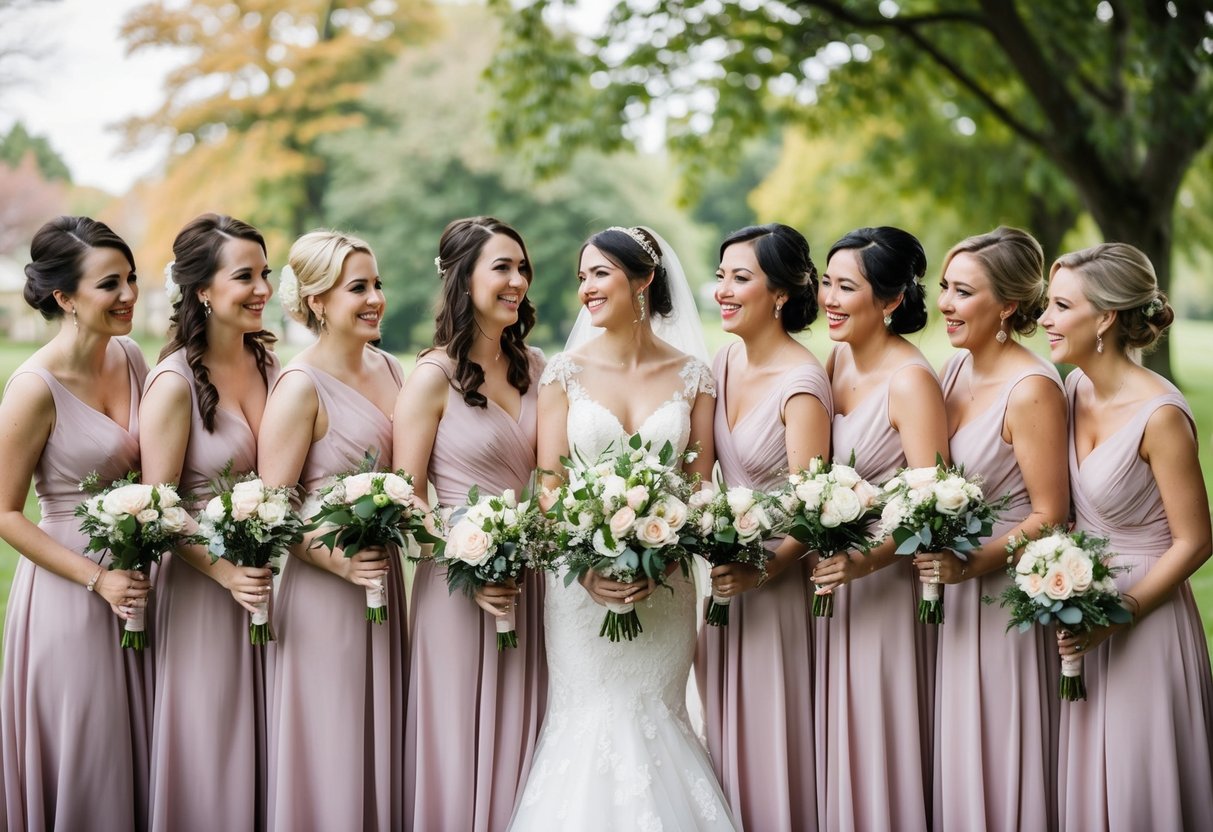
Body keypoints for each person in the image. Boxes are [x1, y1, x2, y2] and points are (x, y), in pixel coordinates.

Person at [509, 225, 735, 830]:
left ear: (643, 280)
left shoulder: (694, 376)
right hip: (580, 592)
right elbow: (550, 487)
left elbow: (699, 481)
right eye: (582, 276)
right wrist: (585, 568)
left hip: (665, 585)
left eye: (599, 273)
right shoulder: (563, 375)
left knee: (656, 716)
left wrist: (666, 543)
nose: (585, 288)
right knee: (590, 720)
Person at [1042, 243, 1213, 830]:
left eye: (1060, 306)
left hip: (1146, 612)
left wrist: (1122, 611)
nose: (1044, 319)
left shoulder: (1160, 413)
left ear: (1105, 318)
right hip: (1077, 602)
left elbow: (1196, 540)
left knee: (1143, 781)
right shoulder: (1071, 392)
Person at [0, 217, 151, 830]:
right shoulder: (34, 388)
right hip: (70, 590)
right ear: (64, 298)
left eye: (132, 279)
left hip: (143, 582)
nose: (129, 295)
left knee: (138, 752)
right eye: (109, 284)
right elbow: (5, 513)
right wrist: (98, 578)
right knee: (90, 756)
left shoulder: (134, 357)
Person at [397, 217, 546, 832]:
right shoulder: (432, 377)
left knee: (529, 738)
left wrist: (528, 544)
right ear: (463, 279)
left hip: (527, 580)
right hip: (455, 589)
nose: (517, 281)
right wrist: (468, 559)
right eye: (501, 268)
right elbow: (404, 498)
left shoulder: (539, 367)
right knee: (457, 738)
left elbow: (556, 479)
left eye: (522, 268)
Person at [915, 227, 1067, 831]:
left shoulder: (1030, 390)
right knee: (959, 752)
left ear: (1007, 305)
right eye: (945, 288)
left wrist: (973, 565)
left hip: (1005, 594)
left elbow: (1050, 511)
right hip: (952, 594)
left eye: (963, 292)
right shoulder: (954, 372)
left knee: (1001, 750)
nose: (946, 304)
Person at [258, 230, 405, 830]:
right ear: (317, 301)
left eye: (376, 285)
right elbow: (271, 510)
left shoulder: (394, 369)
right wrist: (337, 560)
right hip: (324, 591)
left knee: (382, 736)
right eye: (358, 289)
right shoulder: (299, 387)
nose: (375, 299)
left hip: (386, 586)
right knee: (331, 742)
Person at [140, 213, 279, 831]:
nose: (262, 290)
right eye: (245, 277)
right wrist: (226, 574)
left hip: (271, 591)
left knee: (272, 750)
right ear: (202, 290)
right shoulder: (172, 384)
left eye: (266, 275)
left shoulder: (276, 368)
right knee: (212, 755)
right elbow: (158, 508)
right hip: (203, 593)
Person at [811, 226, 948, 832]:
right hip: (835, 586)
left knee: (879, 737)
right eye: (826, 283)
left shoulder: (911, 380)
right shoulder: (836, 358)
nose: (830, 300)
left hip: (884, 587)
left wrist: (865, 560)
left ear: (891, 301)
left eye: (847, 288)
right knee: (842, 737)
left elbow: (934, 505)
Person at [694, 223, 830, 830]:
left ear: (780, 294)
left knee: (774, 734)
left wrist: (763, 567)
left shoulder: (802, 384)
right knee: (725, 733)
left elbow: (816, 510)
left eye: (740, 278)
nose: (724, 289)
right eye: (721, 275)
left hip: (776, 587)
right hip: (726, 580)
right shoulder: (722, 362)